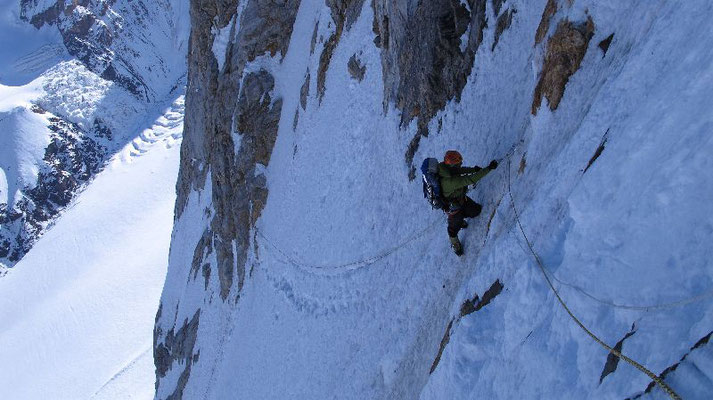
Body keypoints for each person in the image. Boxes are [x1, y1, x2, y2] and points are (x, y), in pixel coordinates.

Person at [438, 150, 498, 256]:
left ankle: (461, 219)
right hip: (454, 209)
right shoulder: (450, 182)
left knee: (476, 211)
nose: (460, 164)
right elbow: (470, 179)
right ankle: (454, 243)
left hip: (461, 200)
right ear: (453, 165)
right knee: (453, 229)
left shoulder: (445, 167)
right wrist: (488, 169)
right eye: (458, 163)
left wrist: (474, 169)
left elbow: (459, 171)